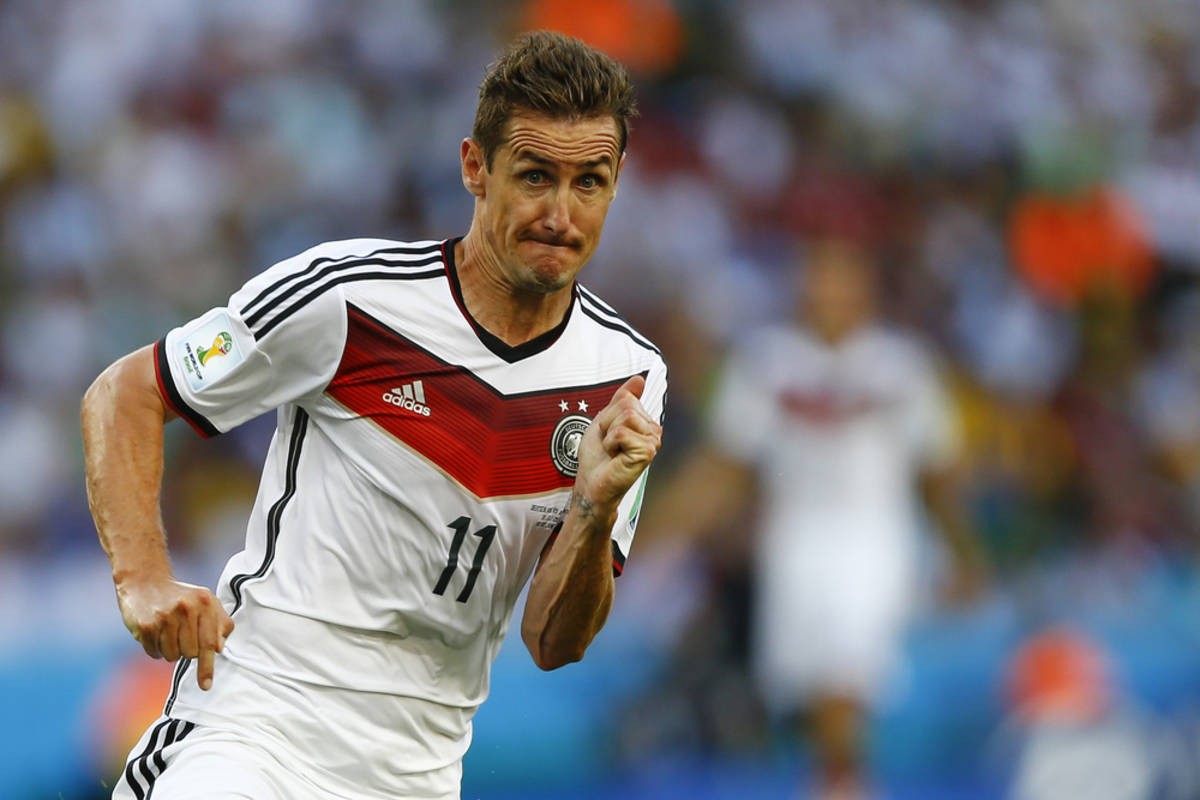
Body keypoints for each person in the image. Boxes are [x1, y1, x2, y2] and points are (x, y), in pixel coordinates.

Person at [81, 31, 666, 800]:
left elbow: (554, 641)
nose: (561, 214)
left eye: (589, 182)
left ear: (616, 183)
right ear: (475, 168)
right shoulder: (349, 298)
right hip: (256, 731)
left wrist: (594, 506)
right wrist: (144, 582)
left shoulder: (627, 380)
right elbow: (126, 392)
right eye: (535, 176)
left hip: (417, 774)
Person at [639, 239, 983, 800]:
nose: (829, 295)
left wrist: (964, 555)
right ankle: (839, 783)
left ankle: (845, 786)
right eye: (820, 280)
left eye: (842, 281)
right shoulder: (767, 363)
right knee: (806, 694)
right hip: (794, 541)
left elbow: (938, 474)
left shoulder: (903, 368)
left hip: (876, 538)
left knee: (844, 675)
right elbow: (723, 468)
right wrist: (647, 536)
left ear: (867, 290)